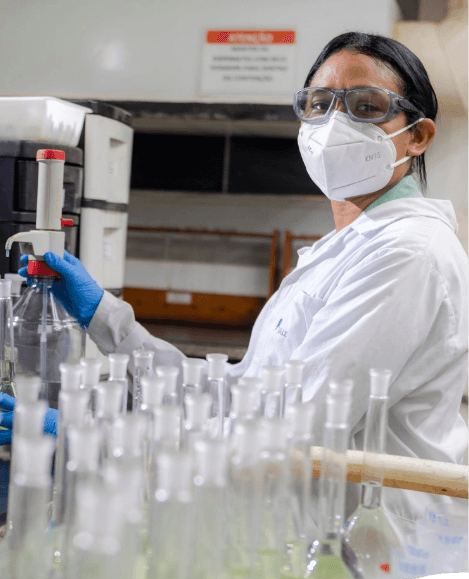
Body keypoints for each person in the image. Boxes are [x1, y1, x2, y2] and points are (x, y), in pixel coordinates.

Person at [2, 31, 468, 541]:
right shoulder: (347, 247)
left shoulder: (406, 254)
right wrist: (102, 316)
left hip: (373, 549)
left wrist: (84, 438)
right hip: (303, 525)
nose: (335, 123)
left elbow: (284, 435)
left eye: (365, 106)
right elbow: (242, 394)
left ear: (419, 136)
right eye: (319, 103)